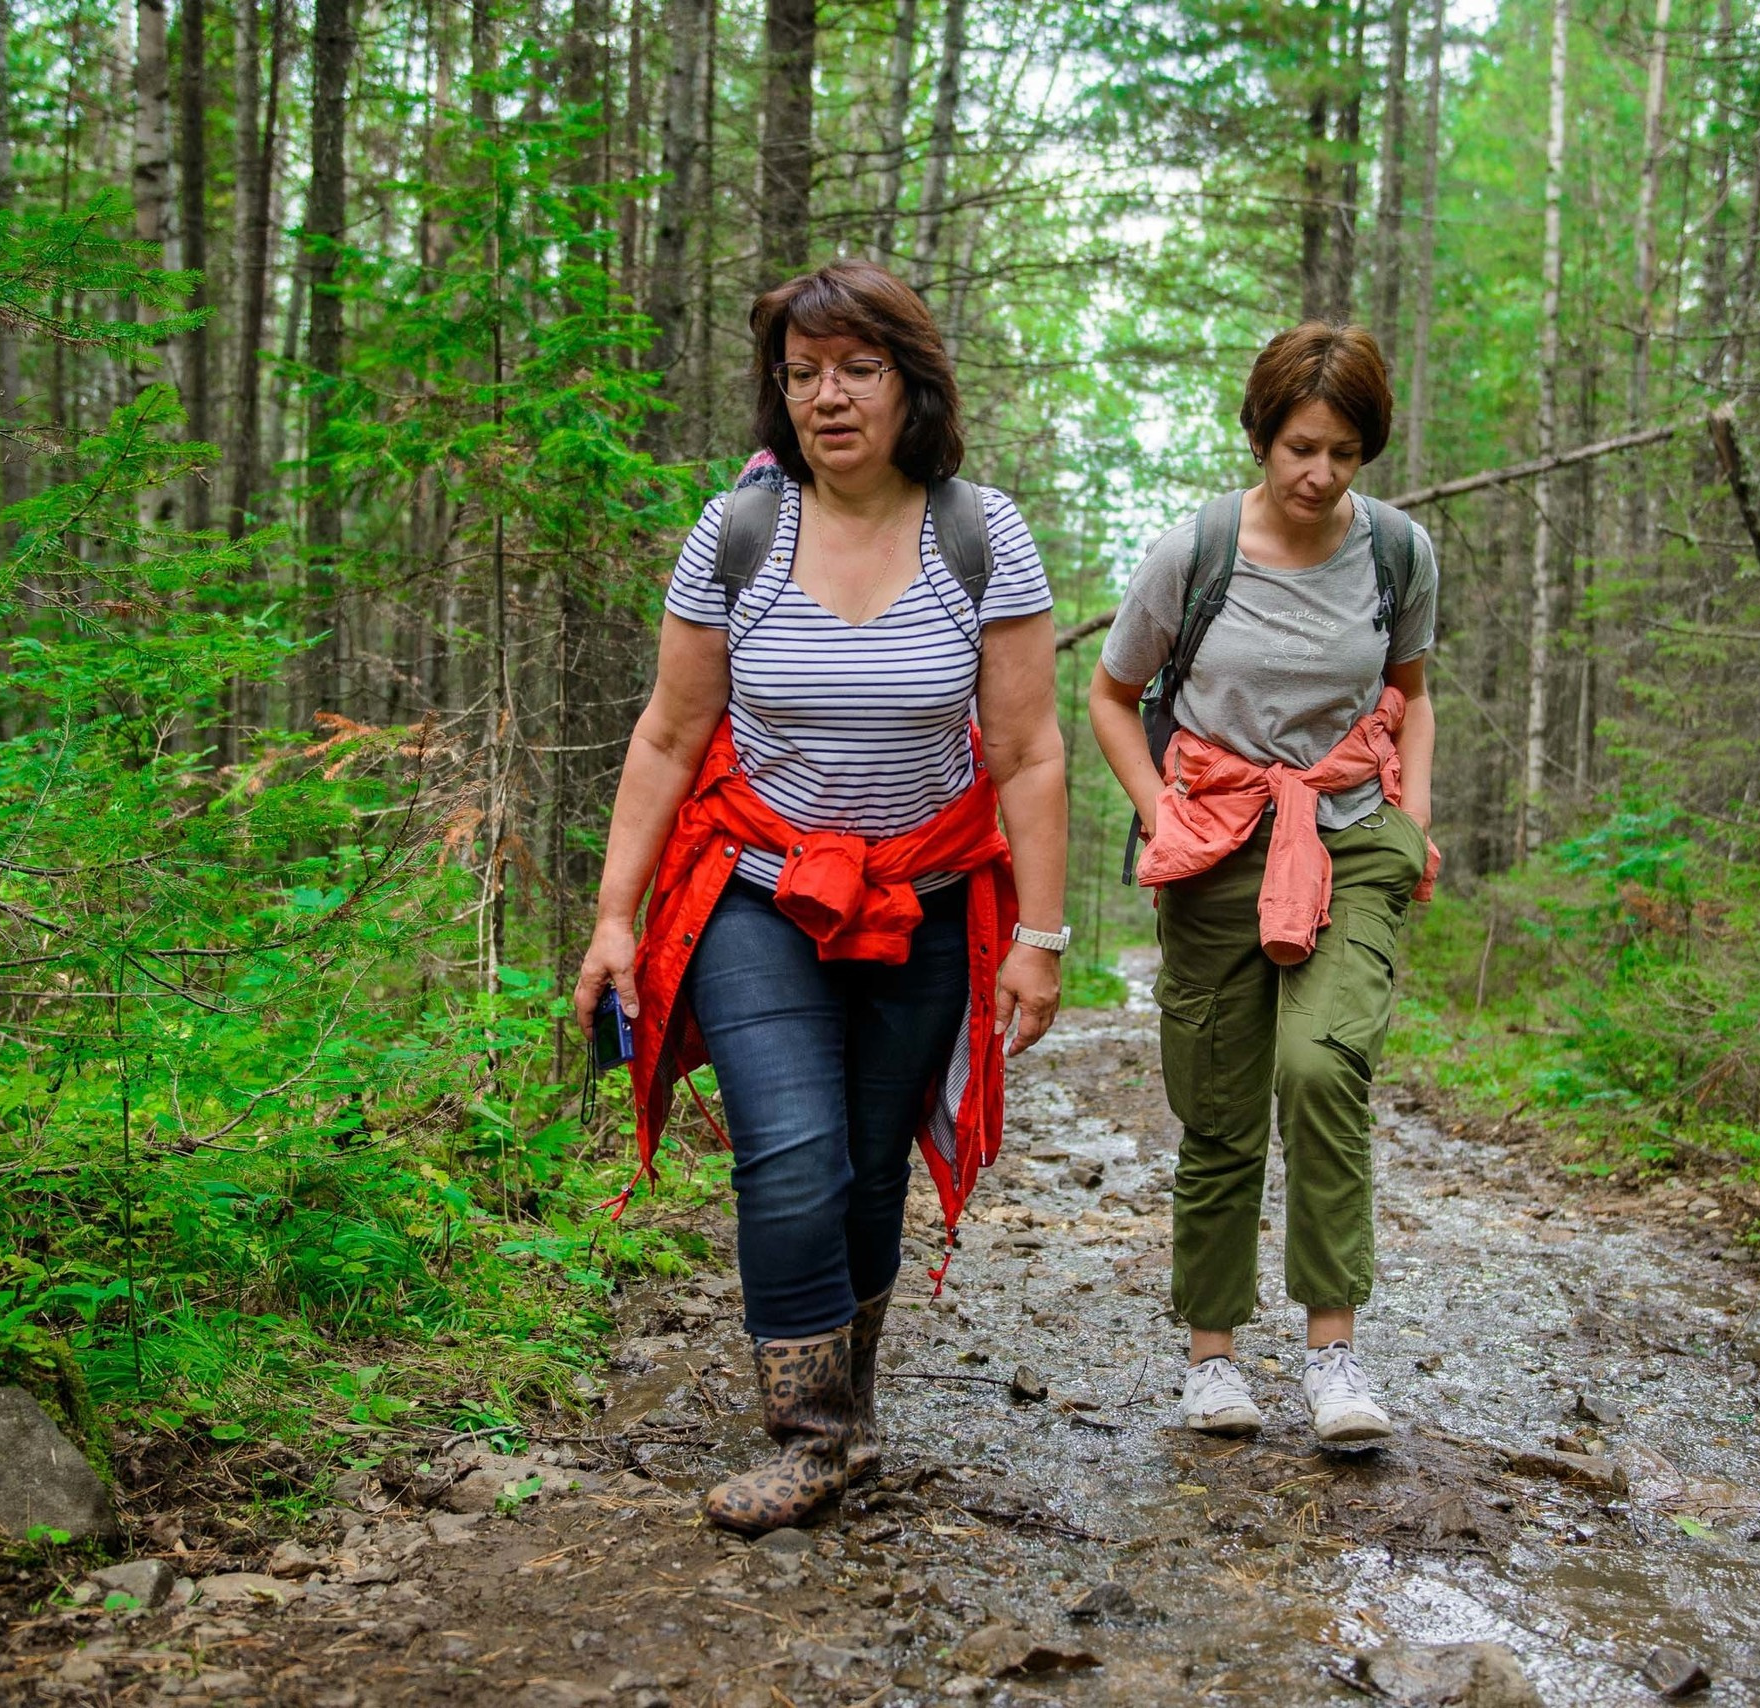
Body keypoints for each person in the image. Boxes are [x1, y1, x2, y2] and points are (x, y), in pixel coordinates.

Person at [577, 260, 1069, 1532]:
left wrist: (1043, 941)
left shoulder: (980, 532)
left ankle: (844, 1400)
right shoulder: (737, 532)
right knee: (789, 1156)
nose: (827, 398)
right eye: (802, 375)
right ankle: (807, 1435)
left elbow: (1025, 753)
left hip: (927, 898)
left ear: (913, 384)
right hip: (757, 891)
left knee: (862, 1173)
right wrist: (614, 917)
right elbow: (668, 739)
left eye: (857, 370)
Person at [1088, 322, 1438, 1445]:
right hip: (1217, 844)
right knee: (1222, 1107)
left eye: (1342, 451)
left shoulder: (1396, 552)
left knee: (1320, 1064)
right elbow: (1111, 694)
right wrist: (1162, 815)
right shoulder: (1191, 552)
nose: (1318, 474)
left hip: (1348, 836)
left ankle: (1333, 1355)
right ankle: (1213, 1360)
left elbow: (1412, 690)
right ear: (1258, 434)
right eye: (1298, 447)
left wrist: (1411, 816)